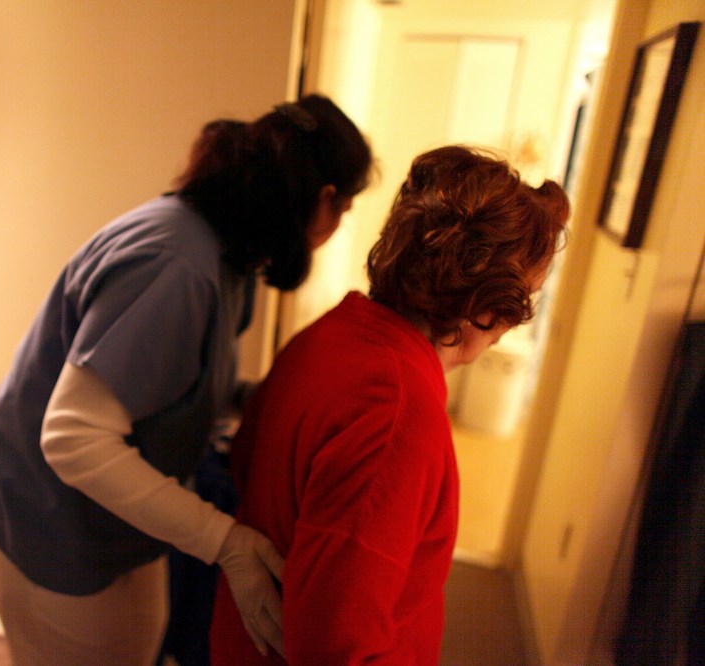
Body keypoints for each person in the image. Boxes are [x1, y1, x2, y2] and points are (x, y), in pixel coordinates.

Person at [0, 94, 373, 665]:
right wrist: (226, 541)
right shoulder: (175, 266)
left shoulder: (230, 252)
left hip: (115, 525)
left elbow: (176, 381)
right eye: (345, 211)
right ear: (324, 199)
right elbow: (74, 438)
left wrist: (268, 405)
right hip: (46, 524)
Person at [210, 145, 570, 664]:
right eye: (527, 293)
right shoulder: (398, 414)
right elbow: (337, 643)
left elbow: (245, 457)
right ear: (489, 302)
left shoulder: (332, 332)